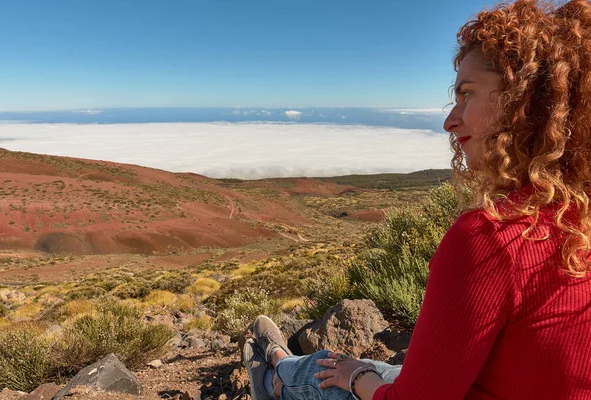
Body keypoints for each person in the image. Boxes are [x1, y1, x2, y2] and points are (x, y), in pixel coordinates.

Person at [243, 0, 591, 398]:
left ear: (524, 102)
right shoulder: (577, 218)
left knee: (334, 377)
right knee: (377, 368)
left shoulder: (493, 240)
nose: (450, 119)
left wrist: (356, 380)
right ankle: (279, 363)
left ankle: (271, 378)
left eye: (467, 94)